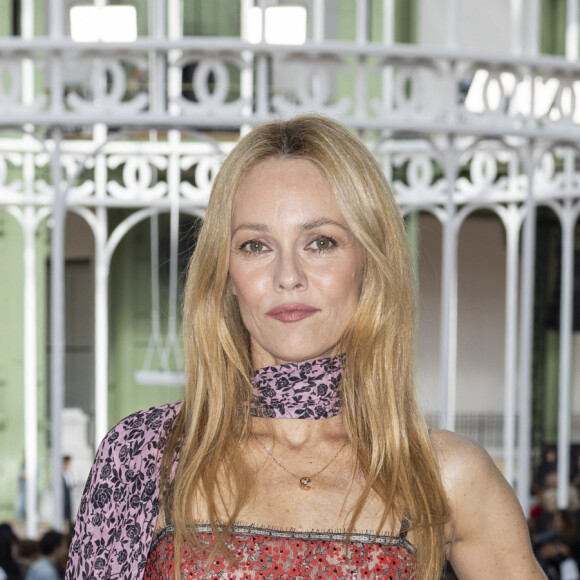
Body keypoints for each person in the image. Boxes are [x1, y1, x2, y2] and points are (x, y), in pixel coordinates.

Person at [65, 115, 546, 579]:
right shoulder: (146, 455)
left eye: (320, 242)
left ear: (369, 264)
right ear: (227, 275)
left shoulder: (446, 477)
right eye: (256, 245)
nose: (288, 277)